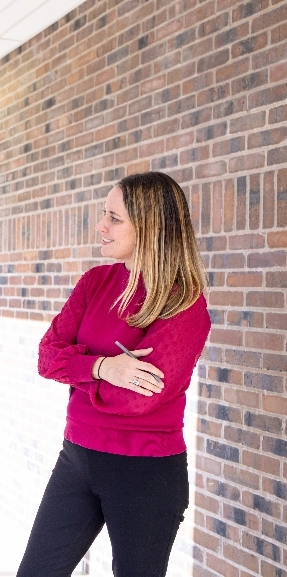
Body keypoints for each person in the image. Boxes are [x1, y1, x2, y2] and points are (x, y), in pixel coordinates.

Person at [16, 171, 211, 577]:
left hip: (144, 474)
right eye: (104, 214)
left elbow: (135, 398)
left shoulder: (183, 305)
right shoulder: (95, 282)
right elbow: (47, 357)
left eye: (114, 218)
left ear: (151, 227)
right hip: (77, 458)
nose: (101, 226)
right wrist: (105, 367)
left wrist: (81, 368)